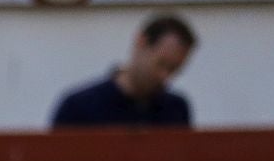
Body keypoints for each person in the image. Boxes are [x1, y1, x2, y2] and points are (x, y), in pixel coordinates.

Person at [51, 13, 197, 129]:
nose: (164, 76)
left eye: (174, 70)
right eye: (161, 64)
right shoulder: (79, 107)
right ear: (141, 42)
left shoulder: (175, 110)